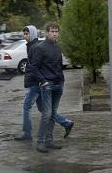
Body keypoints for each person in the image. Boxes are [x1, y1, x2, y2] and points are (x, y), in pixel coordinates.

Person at [14, 25, 74, 142]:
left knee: (28, 106)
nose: (25, 36)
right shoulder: (32, 46)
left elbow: (35, 68)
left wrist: (42, 81)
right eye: (24, 33)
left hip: (38, 84)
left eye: (28, 33)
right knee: (45, 111)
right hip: (40, 83)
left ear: (33, 34)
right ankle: (66, 123)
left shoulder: (35, 47)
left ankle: (28, 133)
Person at [28, 22, 66, 153]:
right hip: (47, 86)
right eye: (52, 31)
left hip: (58, 85)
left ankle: (49, 141)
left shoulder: (58, 48)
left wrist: (61, 81)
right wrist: (43, 81)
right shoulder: (40, 48)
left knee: (53, 114)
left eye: (56, 31)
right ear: (47, 33)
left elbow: (59, 65)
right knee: (46, 114)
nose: (54, 34)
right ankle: (40, 142)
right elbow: (33, 67)